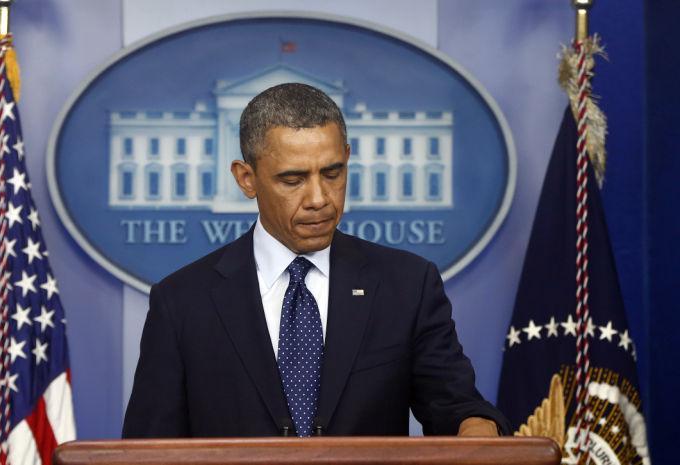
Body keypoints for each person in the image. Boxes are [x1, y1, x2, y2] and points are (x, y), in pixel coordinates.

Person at [122, 83, 510, 438]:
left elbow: (457, 406)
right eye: (292, 180)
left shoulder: (407, 285)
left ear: (347, 159)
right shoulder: (182, 301)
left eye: (332, 173)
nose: (319, 198)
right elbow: (149, 447)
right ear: (246, 178)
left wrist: (477, 432)